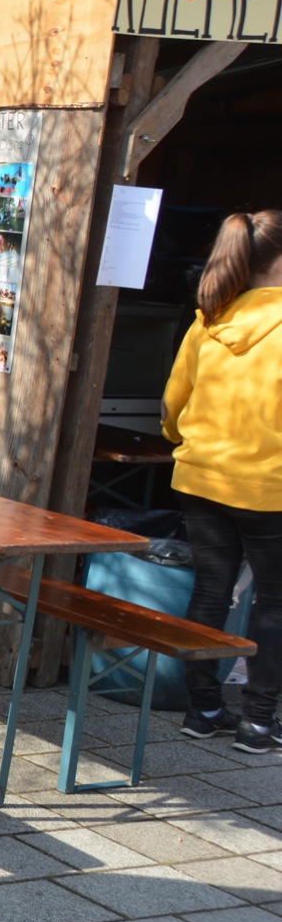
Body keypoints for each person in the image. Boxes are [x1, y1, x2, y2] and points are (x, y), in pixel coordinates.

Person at [163, 210, 282, 753]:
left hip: (200, 476)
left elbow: (172, 403)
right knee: (274, 604)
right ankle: (258, 723)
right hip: (268, 488)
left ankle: (203, 709)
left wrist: (184, 441)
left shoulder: (209, 319)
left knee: (210, 590)